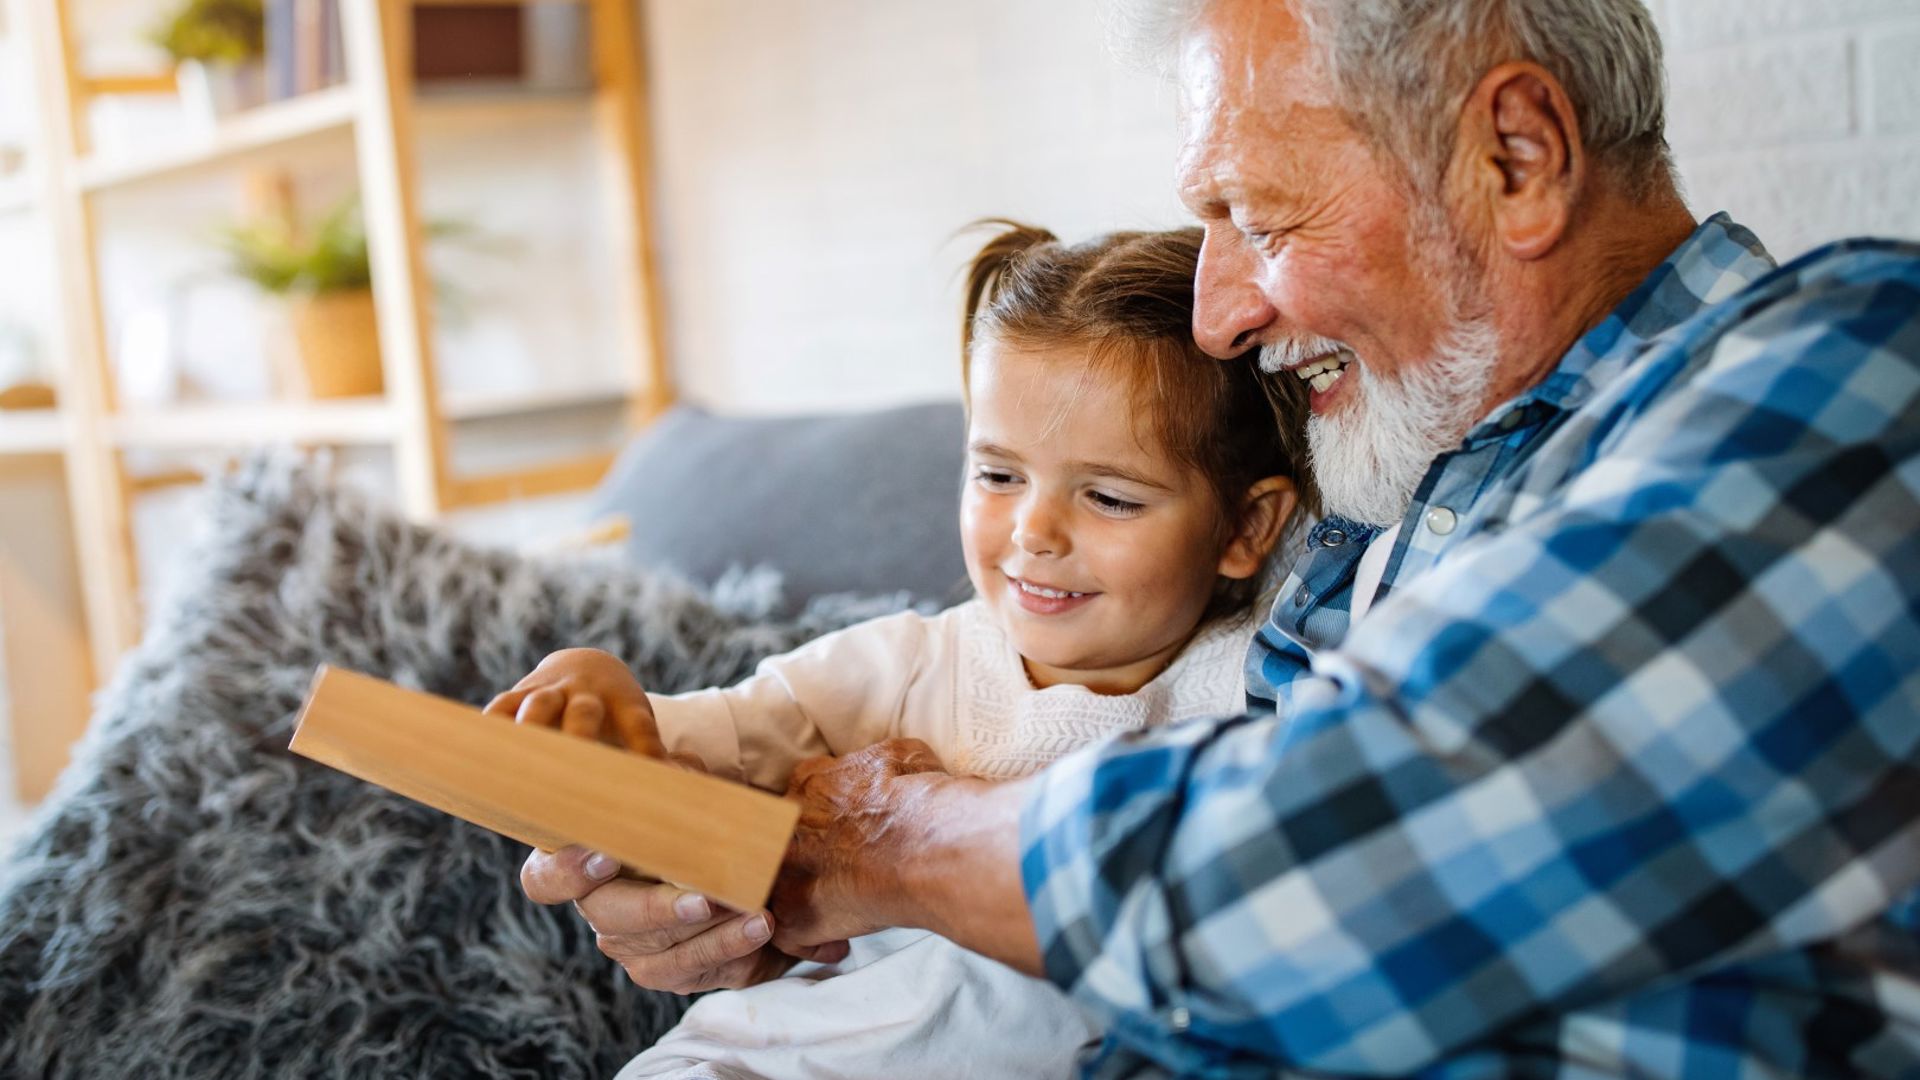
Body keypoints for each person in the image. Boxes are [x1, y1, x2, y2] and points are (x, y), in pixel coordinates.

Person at [524, 0, 1920, 1075]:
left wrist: (883, 846)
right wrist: (791, 919)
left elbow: (1336, 865)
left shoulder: (1854, 374)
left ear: (1516, 157)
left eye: (1256, 217)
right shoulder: (1375, 513)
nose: (1218, 318)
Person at [491, 223, 1315, 1078]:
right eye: (998, 476)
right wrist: (600, 699)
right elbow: (704, 739)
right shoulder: (903, 665)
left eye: (1108, 497)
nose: (1032, 532)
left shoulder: (1263, 685)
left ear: (1248, 526)